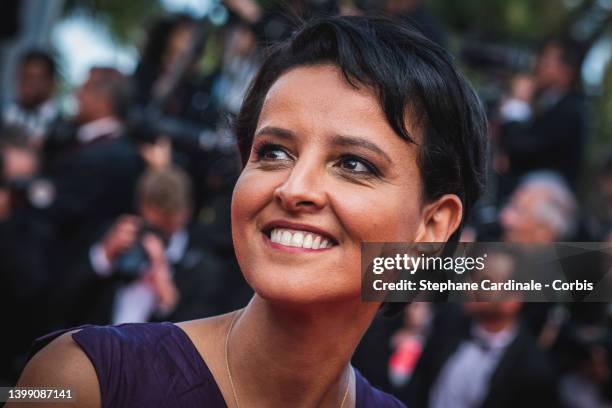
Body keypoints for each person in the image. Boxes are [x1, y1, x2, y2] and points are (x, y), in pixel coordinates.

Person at [12, 15, 487, 407]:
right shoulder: (84, 380)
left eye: (353, 164)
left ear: (432, 225)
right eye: (274, 152)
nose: (293, 188)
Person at [496, 37, 588, 199]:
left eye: (546, 62)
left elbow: (521, 148)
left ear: (566, 71)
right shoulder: (549, 103)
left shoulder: (570, 111)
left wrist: (517, 103)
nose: (538, 66)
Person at [2, 50, 59, 144]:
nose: (27, 84)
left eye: (34, 78)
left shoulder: (60, 129)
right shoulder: (6, 113)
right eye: (24, 76)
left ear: (51, 82)